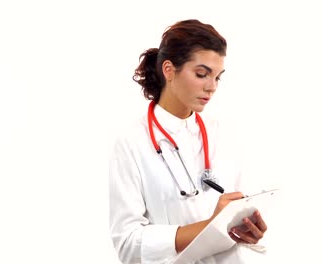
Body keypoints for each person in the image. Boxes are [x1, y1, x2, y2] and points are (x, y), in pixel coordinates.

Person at [109, 19, 268, 264]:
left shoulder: (223, 134)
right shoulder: (132, 142)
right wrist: (210, 226)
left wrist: (249, 231)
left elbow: (239, 225)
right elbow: (129, 245)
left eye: (217, 77)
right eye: (201, 74)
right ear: (169, 70)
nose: (212, 86)